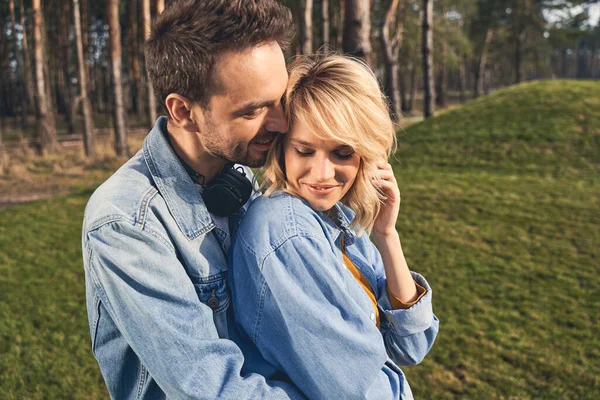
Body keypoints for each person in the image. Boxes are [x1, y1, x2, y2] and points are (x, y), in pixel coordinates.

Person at [81, 0, 305, 398]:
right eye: (253, 111)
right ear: (184, 111)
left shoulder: (241, 176)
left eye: (280, 100)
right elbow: (209, 387)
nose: (282, 123)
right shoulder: (124, 223)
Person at [229, 54, 440, 399]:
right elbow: (360, 389)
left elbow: (410, 346)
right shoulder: (286, 233)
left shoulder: (336, 220)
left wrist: (387, 235)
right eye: (304, 151)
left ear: (366, 155)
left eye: (342, 153)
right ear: (282, 149)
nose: (322, 174)